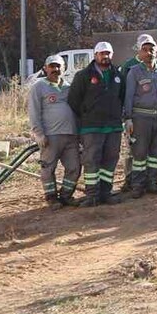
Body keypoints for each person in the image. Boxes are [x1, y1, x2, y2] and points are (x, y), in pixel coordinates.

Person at [67, 41, 125, 207]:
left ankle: (106, 193)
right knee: (91, 160)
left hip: (113, 127)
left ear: (111, 55)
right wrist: (86, 114)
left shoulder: (118, 76)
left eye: (108, 53)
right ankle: (92, 195)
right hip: (92, 127)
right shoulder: (83, 76)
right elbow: (73, 100)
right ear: (95, 55)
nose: (105, 56)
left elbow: (121, 98)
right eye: (101, 53)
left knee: (110, 159)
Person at [123, 33, 157, 198]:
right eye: (145, 49)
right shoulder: (134, 72)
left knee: (156, 153)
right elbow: (128, 96)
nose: (148, 53)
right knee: (139, 153)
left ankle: (153, 183)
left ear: (156, 51)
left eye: (152, 49)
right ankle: (137, 185)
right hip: (141, 118)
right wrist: (128, 119)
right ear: (139, 52)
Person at [29, 54, 79, 209]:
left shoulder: (68, 87)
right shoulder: (39, 87)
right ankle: (51, 197)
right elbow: (34, 112)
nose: (55, 69)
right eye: (52, 66)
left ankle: (66, 195)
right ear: (45, 68)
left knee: (74, 167)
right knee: (48, 168)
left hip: (71, 135)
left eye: (58, 66)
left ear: (63, 68)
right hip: (50, 136)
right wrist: (39, 133)